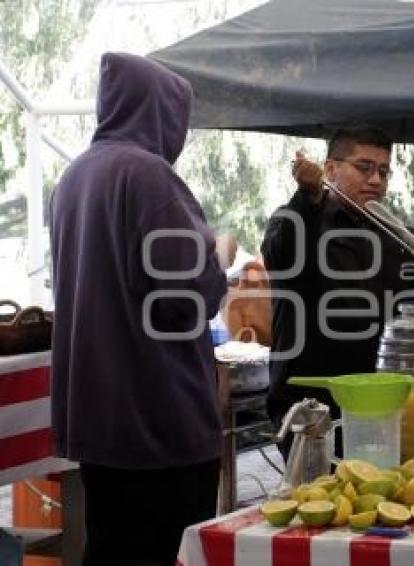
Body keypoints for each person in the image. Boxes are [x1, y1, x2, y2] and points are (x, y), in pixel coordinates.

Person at [49, 52, 234, 565]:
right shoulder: (149, 176)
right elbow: (188, 294)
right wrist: (219, 254)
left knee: (110, 549)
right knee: (161, 551)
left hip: (99, 419)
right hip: (157, 417)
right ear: (161, 112)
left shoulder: (74, 177)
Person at [261, 128, 414, 437]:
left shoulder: (389, 234)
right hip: (310, 404)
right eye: (364, 168)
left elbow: (406, 306)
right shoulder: (296, 218)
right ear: (330, 169)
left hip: (374, 398)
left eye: (383, 172)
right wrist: (308, 197)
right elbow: (281, 254)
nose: (376, 181)